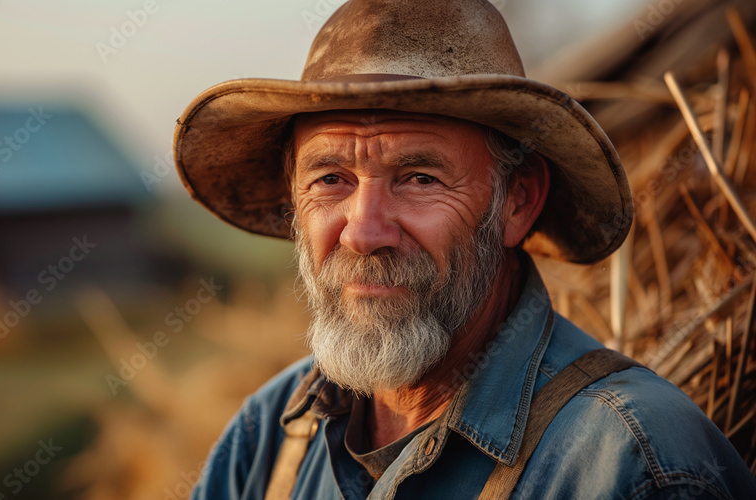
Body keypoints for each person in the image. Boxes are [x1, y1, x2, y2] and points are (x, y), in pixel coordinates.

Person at [172, 0, 756, 498]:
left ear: (516, 202)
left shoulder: (634, 462)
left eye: (419, 178)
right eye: (330, 179)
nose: (364, 231)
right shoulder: (270, 439)